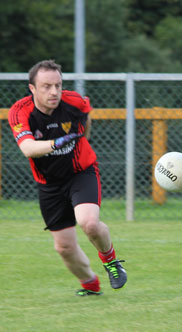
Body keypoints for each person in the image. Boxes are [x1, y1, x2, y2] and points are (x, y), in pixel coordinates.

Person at [8, 59, 127, 296]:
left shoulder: (74, 103)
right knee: (64, 247)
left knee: (89, 223)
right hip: (49, 183)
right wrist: (58, 142)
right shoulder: (20, 111)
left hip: (80, 173)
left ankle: (112, 263)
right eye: (46, 86)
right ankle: (90, 284)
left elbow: (86, 119)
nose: (54, 92)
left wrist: (82, 138)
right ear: (32, 88)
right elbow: (28, 149)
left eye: (58, 85)